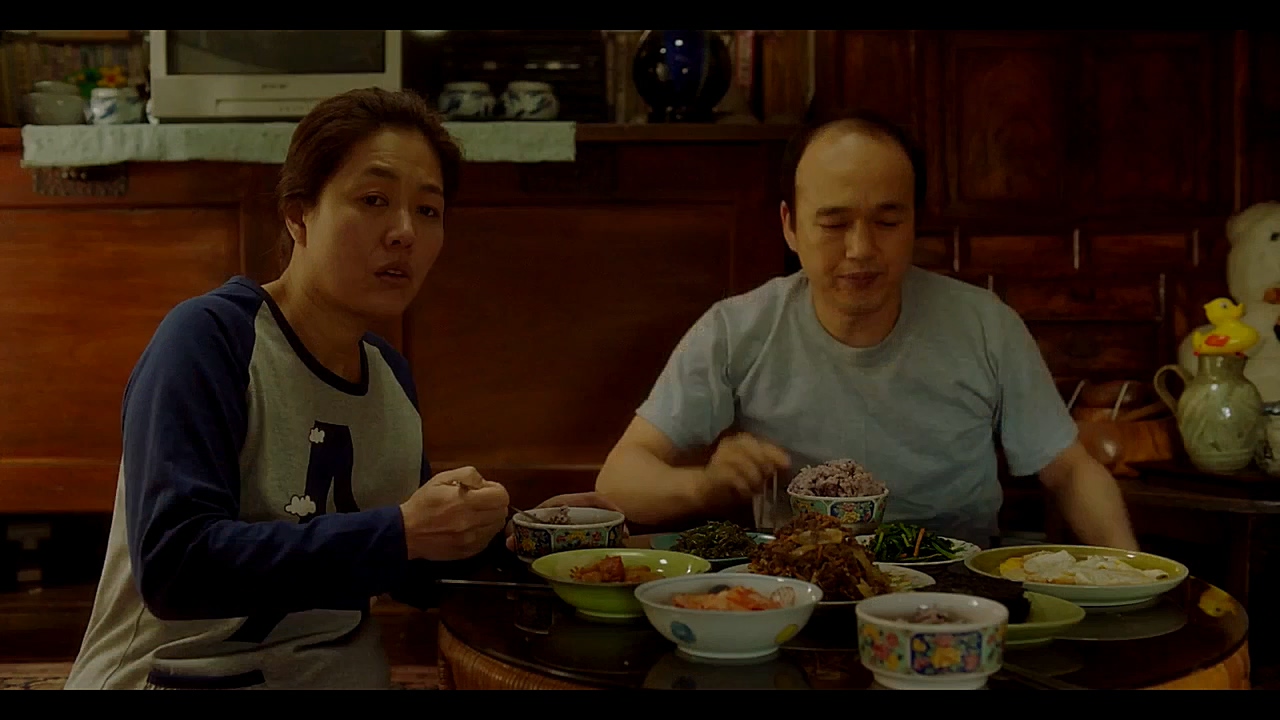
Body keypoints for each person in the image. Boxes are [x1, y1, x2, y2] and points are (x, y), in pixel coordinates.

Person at [65, 88, 618, 691]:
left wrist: (523, 535)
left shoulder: (388, 375)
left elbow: (409, 567)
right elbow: (176, 566)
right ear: (298, 214)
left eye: (428, 210)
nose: (404, 232)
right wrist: (401, 531)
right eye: (373, 200)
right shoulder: (210, 339)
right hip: (178, 677)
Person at [595, 110, 1138, 551]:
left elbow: (1070, 472)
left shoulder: (984, 324)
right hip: (800, 583)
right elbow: (621, 478)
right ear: (790, 225)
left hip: (956, 585)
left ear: (915, 221)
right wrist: (705, 487)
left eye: (887, 221)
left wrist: (1134, 575)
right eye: (834, 223)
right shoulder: (738, 330)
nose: (860, 249)